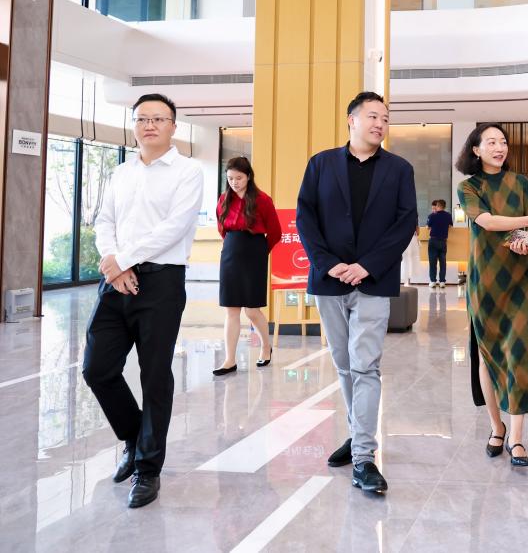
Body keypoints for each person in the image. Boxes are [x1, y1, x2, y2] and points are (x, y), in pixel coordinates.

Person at [82, 93, 204, 509]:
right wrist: (114, 264)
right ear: (134, 125)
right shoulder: (121, 172)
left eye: (158, 119)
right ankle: (134, 438)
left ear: (173, 126)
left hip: (161, 283)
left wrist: (124, 260)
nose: (149, 125)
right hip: (115, 282)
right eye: (142, 119)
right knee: (97, 369)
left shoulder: (187, 172)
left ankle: (148, 469)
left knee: (154, 376)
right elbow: (104, 222)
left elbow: (175, 227)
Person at [296, 91, 417, 494]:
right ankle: (356, 433)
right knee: (344, 364)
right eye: (373, 116)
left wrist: (367, 265)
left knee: (365, 365)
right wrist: (327, 263)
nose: (380, 124)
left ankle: (364, 457)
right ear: (351, 119)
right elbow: (306, 216)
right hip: (328, 280)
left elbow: (405, 223)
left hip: (374, 281)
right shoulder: (321, 164)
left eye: (385, 118)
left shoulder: (399, 169)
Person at [457, 124, 528, 468]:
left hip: (519, 279)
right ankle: (496, 427)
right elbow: (487, 222)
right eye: (491, 142)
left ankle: (516, 438)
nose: (499, 147)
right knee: (488, 354)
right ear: (476, 150)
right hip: (485, 279)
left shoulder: (520, 183)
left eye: (503, 142)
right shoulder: (468, 187)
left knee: (519, 351)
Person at [213, 156, 282, 375]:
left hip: (255, 253)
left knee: (252, 310)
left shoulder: (262, 200)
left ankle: (265, 347)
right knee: (231, 309)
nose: (234, 182)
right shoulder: (224, 199)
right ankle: (229, 360)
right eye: (230, 178)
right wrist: (233, 246)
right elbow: (221, 229)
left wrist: (260, 252)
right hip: (230, 253)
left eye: (239, 178)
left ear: (249, 177)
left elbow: (275, 232)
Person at [426, 199, 454, 288]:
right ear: (444, 206)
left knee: (432, 262)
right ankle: (442, 282)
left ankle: (433, 281)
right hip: (443, 241)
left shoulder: (432, 216)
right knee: (443, 262)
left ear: (437, 206)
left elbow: (428, 227)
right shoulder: (448, 216)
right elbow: (450, 226)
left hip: (433, 241)